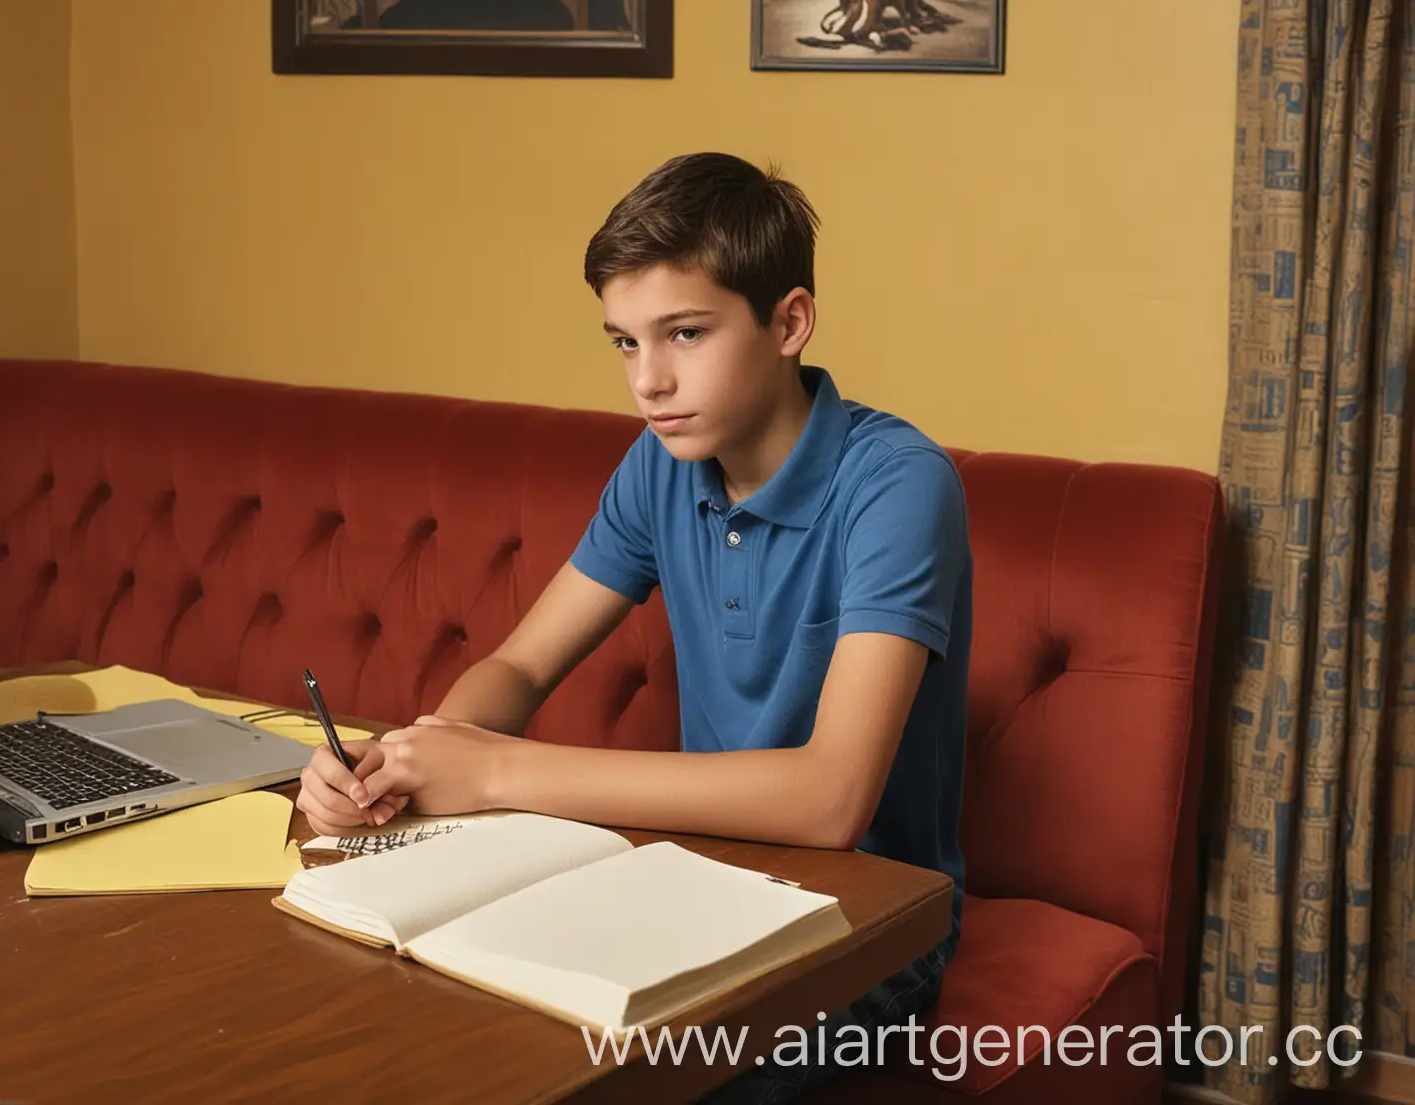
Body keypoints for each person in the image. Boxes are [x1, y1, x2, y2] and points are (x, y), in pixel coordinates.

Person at [299, 152, 972, 1101]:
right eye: (623, 343)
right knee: (423, 1024)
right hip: (689, 889)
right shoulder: (662, 464)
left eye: (685, 334)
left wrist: (494, 770)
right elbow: (521, 668)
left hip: (863, 931)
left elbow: (832, 799)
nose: (649, 381)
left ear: (790, 322)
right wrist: (412, 758)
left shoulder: (899, 484)